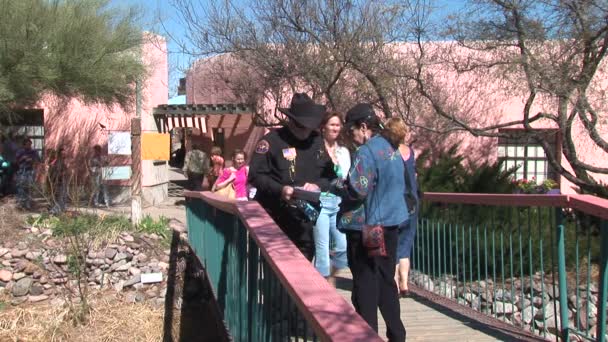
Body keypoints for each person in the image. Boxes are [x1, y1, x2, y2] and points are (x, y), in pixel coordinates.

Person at [335, 103, 407, 341]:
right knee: (386, 281)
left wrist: (337, 185)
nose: (352, 136)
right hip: (390, 224)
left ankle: (367, 335)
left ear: (364, 127)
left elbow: (358, 190)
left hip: (369, 228)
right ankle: (397, 334)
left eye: (352, 130)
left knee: (365, 283)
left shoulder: (367, 152)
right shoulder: (392, 148)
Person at [248, 93, 335, 261]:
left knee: (303, 271)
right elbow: (255, 175)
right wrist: (281, 190)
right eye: (301, 127)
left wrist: (317, 186)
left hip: (306, 222)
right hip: (275, 221)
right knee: (275, 274)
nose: (305, 132)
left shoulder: (316, 141)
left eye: (309, 127)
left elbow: (330, 175)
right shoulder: (271, 141)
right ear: (291, 121)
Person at [383, 118, 420, 297]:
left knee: (392, 244)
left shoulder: (389, 153)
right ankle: (405, 284)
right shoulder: (410, 151)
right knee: (405, 245)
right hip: (412, 202)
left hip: (394, 204)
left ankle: (394, 284)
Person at [313, 112, 350, 284]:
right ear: (323, 127)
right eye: (332, 124)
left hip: (338, 202)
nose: (335, 128)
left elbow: (345, 177)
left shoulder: (343, 151)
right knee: (322, 248)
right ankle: (324, 284)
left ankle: (332, 275)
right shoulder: (316, 150)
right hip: (320, 201)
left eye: (337, 125)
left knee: (343, 246)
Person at [15, 138, 41, 210]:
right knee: (21, 187)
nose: (29, 146)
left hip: (30, 171)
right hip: (22, 171)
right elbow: (16, 162)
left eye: (30, 144)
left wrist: (32, 160)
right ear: (24, 145)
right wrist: (23, 158)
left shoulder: (34, 152)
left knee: (30, 187)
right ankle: (21, 204)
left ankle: (28, 204)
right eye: (27, 144)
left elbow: (38, 160)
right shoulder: (20, 152)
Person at [48, 147, 68, 214]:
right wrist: (61, 174)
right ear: (60, 154)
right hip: (58, 181)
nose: (65, 154)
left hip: (62, 180)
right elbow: (55, 171)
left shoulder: (62, 161)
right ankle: (55, 210)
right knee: (58, 195)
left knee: (63, 195)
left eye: (65, 153)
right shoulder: (57, 161)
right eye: (63, 153)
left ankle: (61, 209)